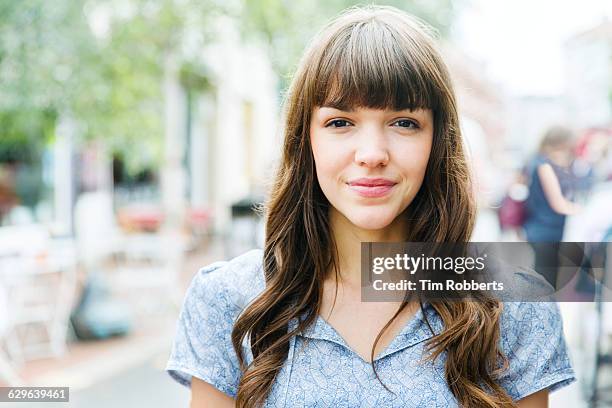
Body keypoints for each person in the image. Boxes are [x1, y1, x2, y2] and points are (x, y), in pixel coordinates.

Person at [166, 6, 576, 407]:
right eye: (340, 122)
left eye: (403, 122)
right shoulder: (231, 300)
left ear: (437, 143)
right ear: (305, 140)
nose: (372, 153)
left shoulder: (513, 306)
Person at [524, 126, 581, 287]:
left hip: (540, 229)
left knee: (543, 279)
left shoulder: (537, 160)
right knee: (546, 282)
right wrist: (584, 211)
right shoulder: (544, 165)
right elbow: (558, 203)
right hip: (545, 231)